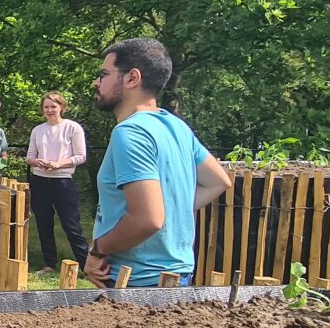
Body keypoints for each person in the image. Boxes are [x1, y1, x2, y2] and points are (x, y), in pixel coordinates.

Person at [84, 38, 232, 288]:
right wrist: (172, 210)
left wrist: (98, 250)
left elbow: (148, 219)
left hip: (136, 283)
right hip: (176, 277)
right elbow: (218, 181)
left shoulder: (130, 133)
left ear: (132, 78)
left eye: (104, 74)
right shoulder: (176, 126)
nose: (96, 83)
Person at [26, 91, 89, 273]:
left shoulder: (72, 127)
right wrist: (38, 162)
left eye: (53, 106)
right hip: (39, 180)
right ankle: (49, 264)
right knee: (43, 224)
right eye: (46, 107)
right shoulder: (37, 130)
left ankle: (86, 265)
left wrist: (58, 164)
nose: (50, 110)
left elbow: (81, 156)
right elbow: (30, 157)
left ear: (61, 107)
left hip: (63, 181)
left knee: (71, 225)